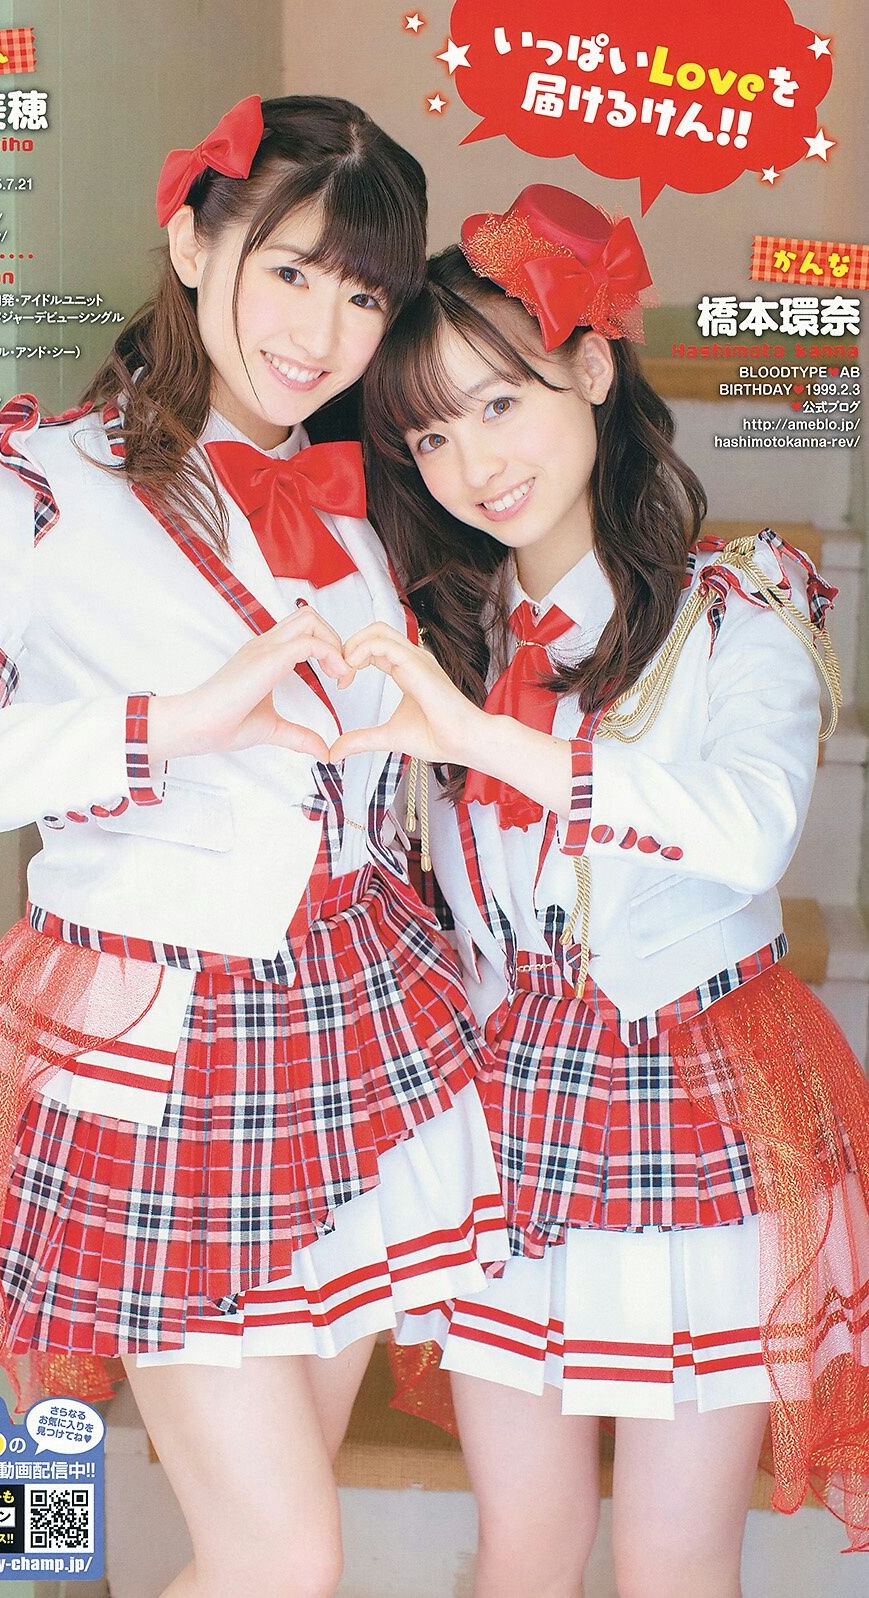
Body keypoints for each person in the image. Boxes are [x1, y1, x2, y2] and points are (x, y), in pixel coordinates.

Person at [0, 95, 509, 1598]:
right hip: (164, 1060)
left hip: (361, 1041)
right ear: (190, 242)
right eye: (289, 270)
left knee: (277, 1543)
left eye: (363, 296)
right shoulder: (38, 488)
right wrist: (166, 726)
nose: (322, 332)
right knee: (281, 1559)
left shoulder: (362, 513)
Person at [337, 183, 869, 1596]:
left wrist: (488, 740)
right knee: (524, 1545)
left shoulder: (738, 608)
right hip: (497, 1117)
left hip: (693, 1107)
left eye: (496, 404)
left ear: (588, 366)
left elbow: (749, 832)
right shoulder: (440, 633)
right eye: (429, 436)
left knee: (672, 1557)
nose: (470, 464)